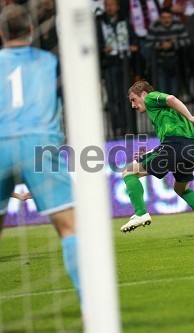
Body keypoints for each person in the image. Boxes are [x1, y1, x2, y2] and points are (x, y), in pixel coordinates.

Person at [0, 3, 80, 302]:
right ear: (32, 30)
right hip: (39, 144)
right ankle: (91, 309)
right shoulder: (49, 61)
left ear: (0, 33)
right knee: (71, 228)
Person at [120, 80, 194, 237]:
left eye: (133, 99)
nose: (133, 105)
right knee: (181, 188)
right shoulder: (169, 112)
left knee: (128, 172)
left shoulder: (151, 98)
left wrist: (192, 117)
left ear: (144, 94)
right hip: (191, 150)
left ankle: (141, 213)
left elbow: (171, 98)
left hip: (174, 146)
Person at [96, 0, 139, 138]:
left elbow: (134, 38)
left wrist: (134, 45)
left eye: (112, 5)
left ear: (117, 6)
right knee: (113, 98)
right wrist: (102, 49)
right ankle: (117, 128)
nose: (109, 8)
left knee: (126, 96)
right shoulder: (99, 22)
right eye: (107, 5)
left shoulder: (124, 20)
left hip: (125, 63)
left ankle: (129, 127)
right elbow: (96, 42)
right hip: (109, 64)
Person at [146, 7, 190, 96]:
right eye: (164, 18)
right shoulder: (154, 26)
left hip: (175, 61)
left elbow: (187, 41)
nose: (166, 20)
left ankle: (173, 110)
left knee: (174, 93)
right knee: (163, 92)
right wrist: (162, 46)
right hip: (159, 63)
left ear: (172, 17)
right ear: (160, 18)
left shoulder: (178, 24)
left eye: (169, 17)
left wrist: (172, 45)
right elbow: (148, 43)